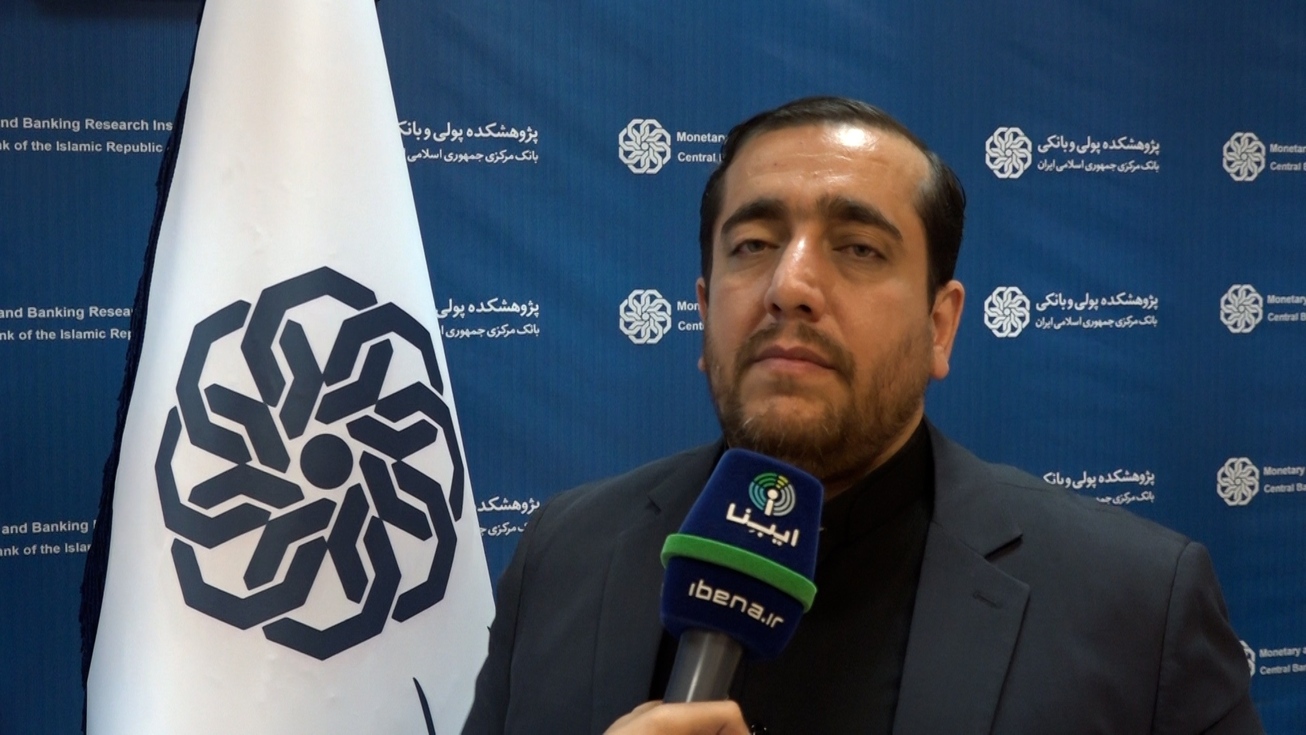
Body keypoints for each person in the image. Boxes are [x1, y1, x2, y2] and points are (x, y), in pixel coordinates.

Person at [462, 97, 1262, 734]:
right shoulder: (562, 555)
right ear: (703, 313)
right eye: (752, 244)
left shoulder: (1138, 605)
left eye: (858, 248)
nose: (789, 286)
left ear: (940, 326)